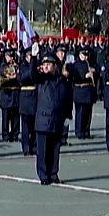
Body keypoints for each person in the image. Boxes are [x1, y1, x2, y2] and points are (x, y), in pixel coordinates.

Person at [32, 55, 72, 185]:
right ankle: (44, 175)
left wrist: (67, 116)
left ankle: (53, 174)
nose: (46, 66)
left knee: (55, 150)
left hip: (57, 119)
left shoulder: (62, 80)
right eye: (44, 64)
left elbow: (67, 99)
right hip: (43, 119)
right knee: (43, 150)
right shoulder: (41, 79)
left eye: (49, 64)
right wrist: (34, 59)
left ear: (55, 66)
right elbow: (32, 75)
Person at [69, 47, 97, 139]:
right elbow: (76, 76)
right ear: (79, 55)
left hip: (89, 91)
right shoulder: (76, 64)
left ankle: (86, 131)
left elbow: (98, 71)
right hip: (80, 90)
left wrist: (94, 71)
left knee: (88, 114)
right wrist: (85, 76)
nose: (86, 57)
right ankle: (79, 131)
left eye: (87, 55)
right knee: (80, 113)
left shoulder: (90, 63)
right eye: (83, 55)